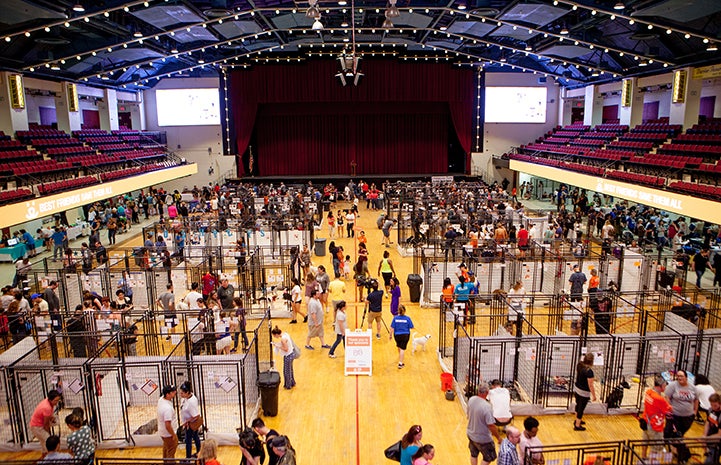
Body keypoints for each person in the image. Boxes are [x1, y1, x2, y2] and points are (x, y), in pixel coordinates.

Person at [467, 382, 501, 465]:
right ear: (487, 392)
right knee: (489, 457)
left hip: (471, 434)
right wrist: (498, 437)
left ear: (478, 391)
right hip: (483, 439)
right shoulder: (487, 407)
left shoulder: (471, 400)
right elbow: (491, 425)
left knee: (473, 454)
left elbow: (468, 415)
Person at [641, 376, 672, 457]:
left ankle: (643, 457)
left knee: (645, 441)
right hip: (655, 426)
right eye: (665, 385)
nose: (665, 387)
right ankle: (652, 461)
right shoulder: (660, 399)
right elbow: (669, 409)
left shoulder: (648, 392)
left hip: (646, 422)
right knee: (656, 448)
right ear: (660, 386)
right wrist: (667, 400)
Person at [664, 370, 698, 440]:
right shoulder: (672, 386)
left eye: (681, 376)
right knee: (668, 432)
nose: (679, 378)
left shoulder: (693, 388)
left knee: (680, 433)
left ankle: (676, 446)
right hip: (674, 415)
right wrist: (669, 409)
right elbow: (667, 397)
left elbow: (696, 400)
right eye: (678, 376)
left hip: (688, 416)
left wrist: (695, 411)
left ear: (686, 377)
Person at [29, 390, 62, 454]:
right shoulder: (47, 408)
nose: (57, 402)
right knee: (49, 442)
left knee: (44, 443)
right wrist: (48, 433)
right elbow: (46, 424)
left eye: (58, 400)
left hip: (36, 425)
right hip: (37, 427)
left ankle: (45, 456)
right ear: (50, 400)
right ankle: (52, 457)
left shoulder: (48, 402)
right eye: (55, 400)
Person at [573, 353, 596, 431]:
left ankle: (577, 420)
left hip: (577, 388)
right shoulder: (589, 371)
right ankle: (577, 425)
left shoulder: (579, 365)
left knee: (577, 404)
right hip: (584, 391)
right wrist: (594, 395)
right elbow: (590, 385)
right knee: (581, 409)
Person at [179, 381, 202, 458]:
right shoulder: (186, 398)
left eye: (182, 393)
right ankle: (199, 452)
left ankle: (188, 457)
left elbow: (196, 416)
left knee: (188, 440)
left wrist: (187, 422)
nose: (180, 395)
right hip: (188, 423)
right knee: (195, 437)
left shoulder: (191, 402)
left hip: (191, 424)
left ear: (187, 392)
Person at [389, 304, 414, 369]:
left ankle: (400, 356)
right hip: (405, 335)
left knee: (399, 346)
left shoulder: (395, 318)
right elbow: (411, 327)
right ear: (404, 311)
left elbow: (392, 327)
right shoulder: (407, 318)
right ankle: (400, 363)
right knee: (402, 348)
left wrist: (390, 335)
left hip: (397, 335)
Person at [157, 385, 178, 459]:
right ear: (167, 394)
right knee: (171, 452)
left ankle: (165, 461)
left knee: (166, 448)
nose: (175, 392)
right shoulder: (167, 409)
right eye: (172, 392)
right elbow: (168, 425)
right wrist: (173, 435)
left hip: (163, 432)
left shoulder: (161, 400)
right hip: (168, 434)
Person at [704, 393, 721, 464]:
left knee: (709, 462)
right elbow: (707, 423)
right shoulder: (710, 410)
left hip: (717, 442)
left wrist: (706, 439)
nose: (713, 407)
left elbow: (720, 435)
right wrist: (704, 435)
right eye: (711, 405)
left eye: (715, 405)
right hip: (710, 439)